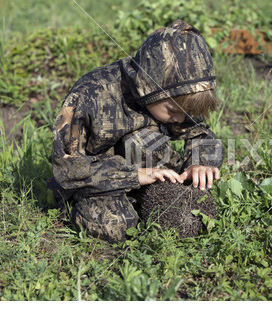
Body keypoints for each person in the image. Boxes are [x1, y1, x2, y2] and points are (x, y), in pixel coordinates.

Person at [49, 20, 224, 243]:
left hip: (145, 174)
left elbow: (201, 135)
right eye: (172, 111)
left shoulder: (175, 95)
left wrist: (200, 162)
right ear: (147, 88)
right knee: (115, 227)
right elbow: (67, 170)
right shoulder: (90, 94)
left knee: (143, 142)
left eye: (186, 112)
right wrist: (135, 176)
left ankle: (150, 199)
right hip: (94, 183)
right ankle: (87, 208)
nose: (181, 119)